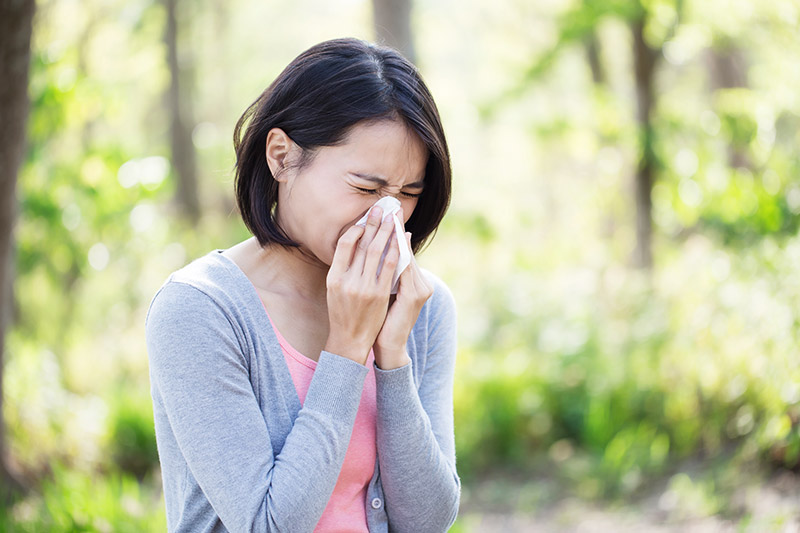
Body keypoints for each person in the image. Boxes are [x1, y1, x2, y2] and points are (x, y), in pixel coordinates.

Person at [145, 37, 460, 533]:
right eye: (367, 187)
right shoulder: (199, 311)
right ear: (281, 157)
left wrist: (392, 354)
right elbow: (267, 525)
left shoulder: (425, 307)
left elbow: (428, 521)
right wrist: (350, 346)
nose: (388, 214)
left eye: (409, 193)